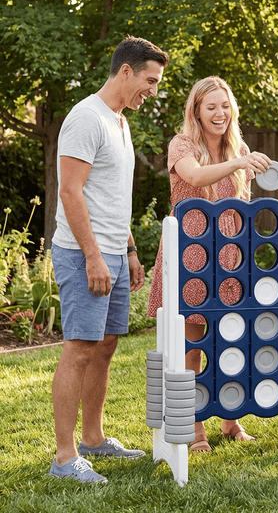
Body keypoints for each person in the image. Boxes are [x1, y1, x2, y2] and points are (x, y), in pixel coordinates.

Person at [50, 36, 169, 484]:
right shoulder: (86, 118)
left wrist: (131, 252)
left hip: (114, 255)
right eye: (150, 81)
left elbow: (113, 197)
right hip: (85, 256)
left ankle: (94, 439)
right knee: (80, 349)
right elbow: (70, 191)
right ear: (125, 71)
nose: (153, 90)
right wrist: (95, 257)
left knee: (105, 347)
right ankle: (64, 458)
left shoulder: (119, 121)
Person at [147, 76, 272, 452]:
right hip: (192, 252)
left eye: (224, 105)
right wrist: (240, 162)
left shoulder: (238, 147)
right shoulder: (182, 144)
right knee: (193, 342)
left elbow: (242, 206)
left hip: (229, 253)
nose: (219, 113)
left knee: (229, 341)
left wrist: (244, 255)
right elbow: (195, 176)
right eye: (210, 107)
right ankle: (195, 425)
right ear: (197, 112)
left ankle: (230, 421)